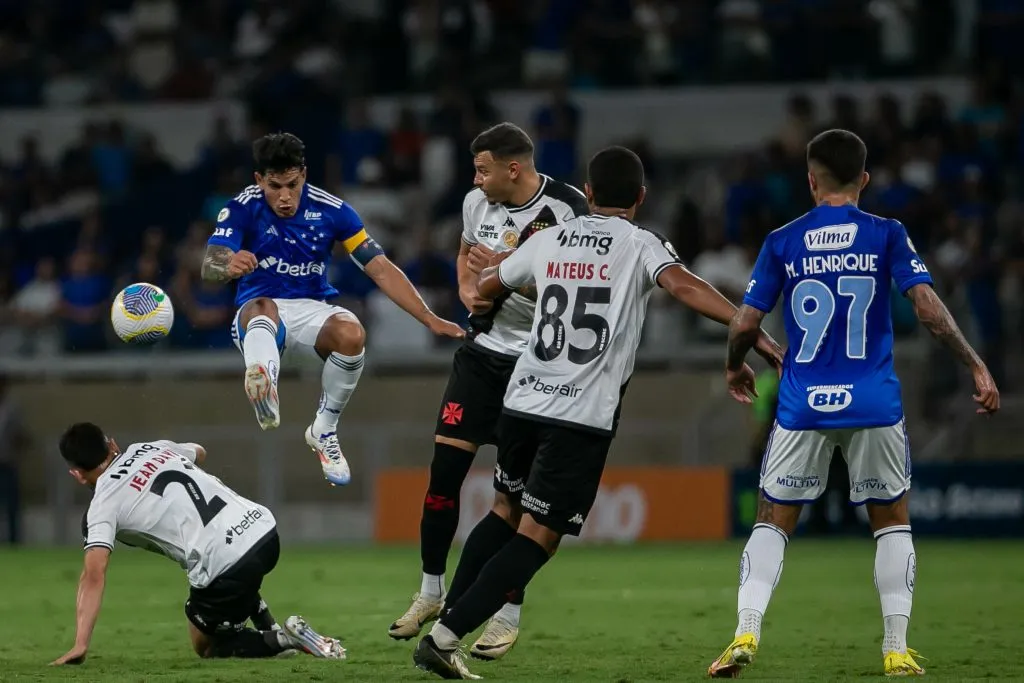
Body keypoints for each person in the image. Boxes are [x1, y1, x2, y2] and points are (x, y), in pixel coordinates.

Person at [412, 146, 784, 679]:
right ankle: (445, 639)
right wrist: (749, 328)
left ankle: (446, 621)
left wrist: (485, 277)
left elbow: (488, 289)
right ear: (640, 197)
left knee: (503, 510)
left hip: (521, 398)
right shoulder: (640, 244)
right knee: (538, 536)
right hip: (578, 413)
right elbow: (682, 285)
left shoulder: (549, 238)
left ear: (586, 194)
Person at [709, 129, 1000, 678]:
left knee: (773, 520)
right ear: (864, 180)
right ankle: (895, 648)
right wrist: (974, 362)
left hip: (802, 404)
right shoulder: (887, 233)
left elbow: (746, 321)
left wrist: (734, 362)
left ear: (811, 180)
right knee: (890, 522)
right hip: (872, 402)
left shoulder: (782, 240)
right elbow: (929, 309)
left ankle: (746, 630)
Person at [389, 122, 589, 658]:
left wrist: (504, 277)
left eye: (482, 169)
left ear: (513, 168)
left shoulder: (567, 210)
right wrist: (466, 291)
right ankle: (430, 592)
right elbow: (464, 255)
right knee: (442, 480)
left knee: (517, 500)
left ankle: (506, 613)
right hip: (481, 357)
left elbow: (581, 285)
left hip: (537, 367)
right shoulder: (476, 205)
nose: (475, 180)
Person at [202, 132, 464, 487]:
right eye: (275, 186)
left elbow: (380, 267)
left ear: (304, 174)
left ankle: (323, 430)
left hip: (310, 314)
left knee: (352, 332)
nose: (284, 197)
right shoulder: (241, 207)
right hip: (258, 320)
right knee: (262, 307)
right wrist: (228, 264)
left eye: (292, 185)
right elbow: (211, 262)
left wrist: (428, 317)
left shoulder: (333, 211)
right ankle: (264, 382)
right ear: (258, 180)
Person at [52, 422, 346, 666]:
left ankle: (287, 638)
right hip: (263, 530)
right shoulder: (148, 447)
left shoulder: (102, 505)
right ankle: (271, 629)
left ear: (76, 474)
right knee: (232, 574)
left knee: (204, 644)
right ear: (112, 444)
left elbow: (94, 574)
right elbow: (200, 452)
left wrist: (80, 643)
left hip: (224, 562)